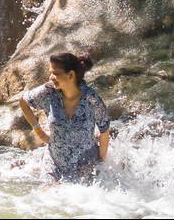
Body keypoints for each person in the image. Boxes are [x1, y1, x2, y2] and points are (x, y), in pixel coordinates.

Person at [17, 51, 111, 182]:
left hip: (85, 163)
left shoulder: (91, 98)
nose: (51, 77)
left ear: (71, 75)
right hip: (55, 161)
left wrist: (101, 161)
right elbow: (23, 101)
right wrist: (39, 132)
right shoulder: (48, 92)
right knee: (48, 195)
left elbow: (104, 129)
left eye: (55, 73)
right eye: (51, 73)